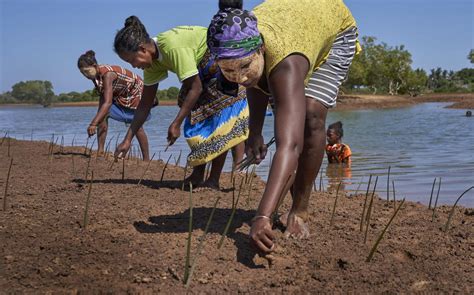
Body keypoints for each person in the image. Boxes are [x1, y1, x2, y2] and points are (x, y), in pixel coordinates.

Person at [208, 0, 360, 252]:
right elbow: (254, 81)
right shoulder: (236, 45)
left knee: (310, 117)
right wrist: (254, 132)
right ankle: (284, 202)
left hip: (333, 28)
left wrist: (262, 217)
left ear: (261, 49)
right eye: (229, 70)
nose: (240, 77)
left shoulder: (284, 62)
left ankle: (300, 209)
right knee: (279, 102)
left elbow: (289, 145)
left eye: (245, 65)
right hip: (292, 27)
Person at [113, 16, 249, 190]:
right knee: (193, 112)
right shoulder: (151, 64)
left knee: (218, 118)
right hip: (199, 70)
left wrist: (176, 123)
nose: (133, 66)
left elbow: (196, 88)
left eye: (132, 60)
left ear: (142, 49)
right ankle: (198, 174)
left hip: (215, 59)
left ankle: (213, 179)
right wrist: (127, 140)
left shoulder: (172, 47)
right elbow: (145, 105)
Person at [77, 50, 150, 160]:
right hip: (121, 96)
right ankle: (100, 152)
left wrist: (93, 123)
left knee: (137, 126)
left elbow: (108, 102)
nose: (85, 75)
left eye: (87, 71)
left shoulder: (108, 75)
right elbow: (103, 101)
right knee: (102, 116)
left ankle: (146, 159)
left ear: (95, 66)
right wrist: (98, 118)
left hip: (136, 94)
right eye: (82, 73)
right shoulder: (96, 77)